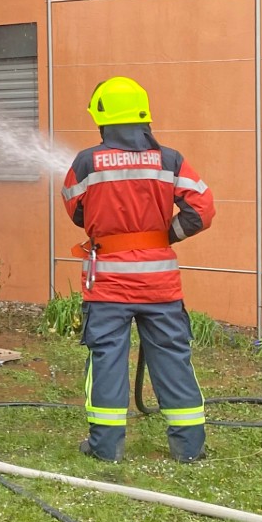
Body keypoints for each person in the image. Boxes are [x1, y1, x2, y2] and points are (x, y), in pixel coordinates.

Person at [62, 77, 215, 463]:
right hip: (159, 283)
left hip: (109, 283)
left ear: (102, 118)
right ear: (144, 117)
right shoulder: (170, 159)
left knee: (107, 359)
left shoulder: (87, 162)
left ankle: (106, 448)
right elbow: (203, 210)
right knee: (172, 357)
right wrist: (163, 235)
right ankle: (190, 448)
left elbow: (75, 209)